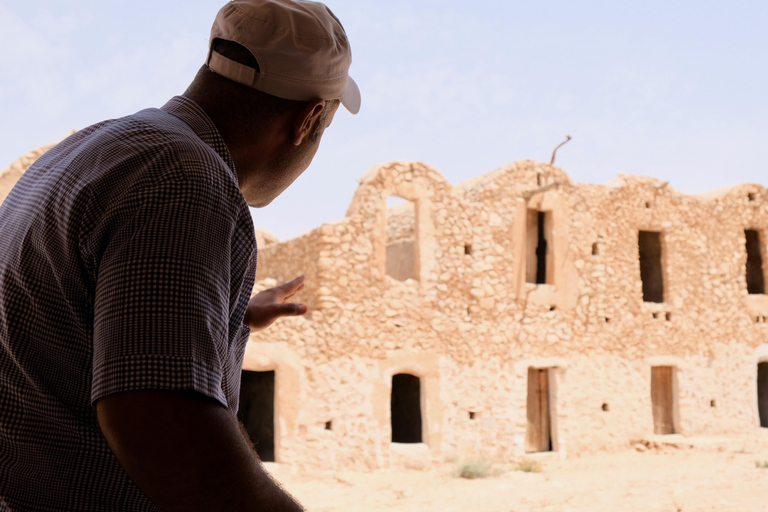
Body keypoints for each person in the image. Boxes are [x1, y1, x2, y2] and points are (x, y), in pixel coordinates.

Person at [0, 0, 359, 510]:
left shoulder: (94, 147)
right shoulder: (184, 180)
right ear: (307, 121)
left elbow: (65, 317)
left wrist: (229, 314)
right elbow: (159, 419)